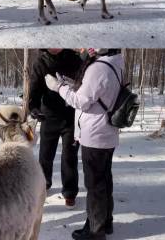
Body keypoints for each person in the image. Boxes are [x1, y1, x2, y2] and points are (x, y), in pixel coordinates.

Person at [45, 48, 124, 240]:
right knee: (104, 180)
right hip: (107, 132)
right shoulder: (116, 61)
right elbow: (96, 92)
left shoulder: (97, 68)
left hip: (95, 134)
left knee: (95, 185)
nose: (84, 49)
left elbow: (80, 101)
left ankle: (95, 231)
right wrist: (71, 84)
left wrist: (59, 88)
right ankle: (106, 222)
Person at [28, 49, 83, 209]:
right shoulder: (41, 62)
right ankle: (44, 185)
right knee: (45, 155)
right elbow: (34, 90)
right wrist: (34, 108)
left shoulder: (75, 59)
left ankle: (70, 192)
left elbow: (84, 86)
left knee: (69, 156)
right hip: (49, 116)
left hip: (71, 117)